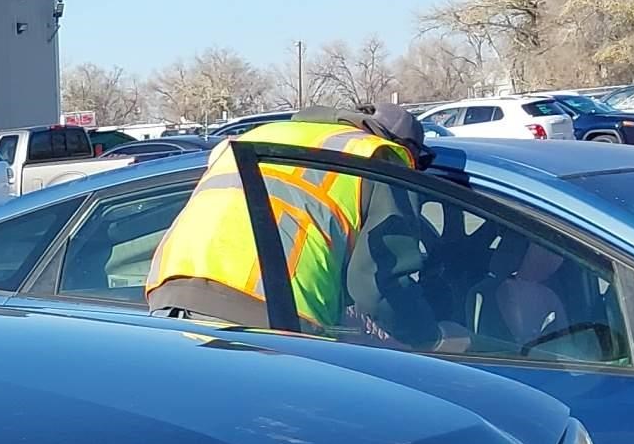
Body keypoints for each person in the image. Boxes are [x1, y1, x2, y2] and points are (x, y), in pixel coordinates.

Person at [145, 105, 431, 332]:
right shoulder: (378, 156)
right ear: (408, 150)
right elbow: (377, 284)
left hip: (168, 296)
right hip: (267, 313)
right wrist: (432, 337)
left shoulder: (262, 134)